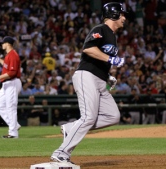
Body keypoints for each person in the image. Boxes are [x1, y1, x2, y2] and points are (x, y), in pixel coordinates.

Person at [50, 2, 127, 163]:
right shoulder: (100, 29)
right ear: (113, 14)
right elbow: (88, 49)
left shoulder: (112, 36)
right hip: (86, 76)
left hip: (99, 79)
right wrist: (110, 59)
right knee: (88, 117)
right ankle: (61, 152)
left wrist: (107, 76)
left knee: (113, 116)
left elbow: (100, 59)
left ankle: (71, 128)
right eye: (122, 14)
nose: (124, 18)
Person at [0, 36, 22, 138]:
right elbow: (6, 66)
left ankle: (13, 133)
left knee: (11, 107)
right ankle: (14, 124)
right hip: (7, 83)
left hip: (12, 82)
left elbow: (13, 72)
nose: (2, 45)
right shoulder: (9, 55)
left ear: (8, 44)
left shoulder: (13, 55)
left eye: (3, 43)